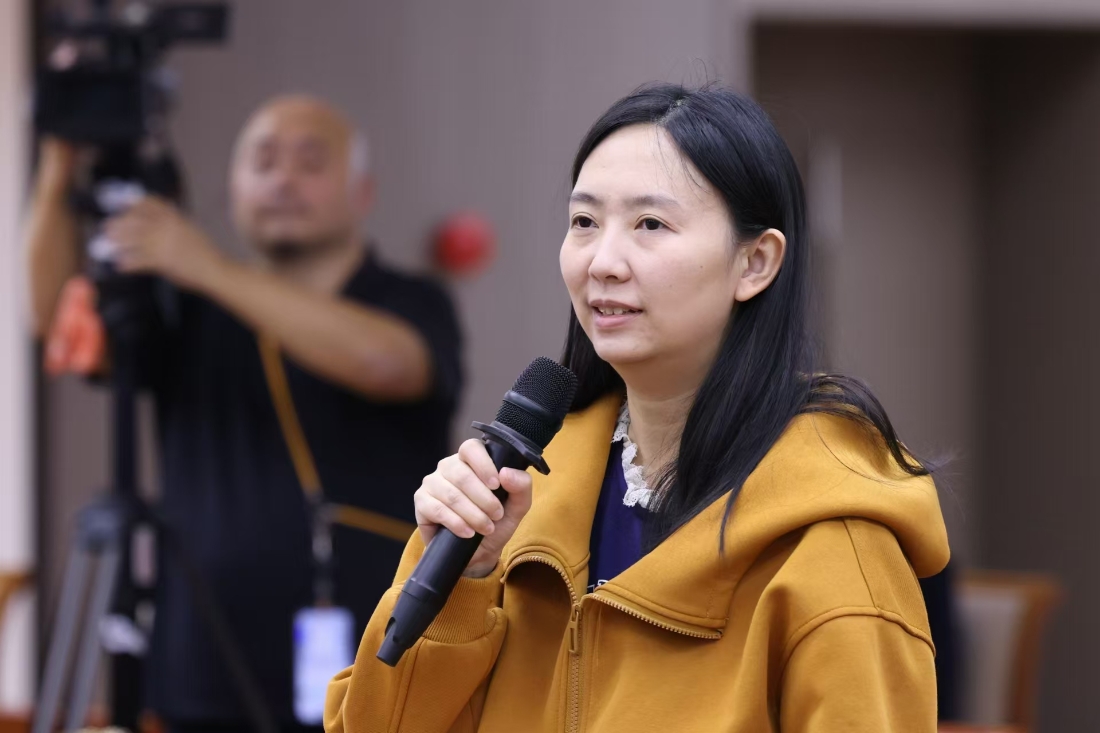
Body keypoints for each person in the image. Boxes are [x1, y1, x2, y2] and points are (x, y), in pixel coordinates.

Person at [324, 83, 950, 732]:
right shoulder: (513, 511)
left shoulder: (833, 545)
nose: (603, 261)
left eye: (650, 224)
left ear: (755, 262)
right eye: (584, 222)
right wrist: (461, 582)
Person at [25, 96, 463, 732]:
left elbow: (388, 364)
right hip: (204, 665)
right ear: (233, 189)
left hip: (375, 658)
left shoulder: (410, 300)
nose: (283, 179)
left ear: (362, 192)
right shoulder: (189, 308)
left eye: (309, 162)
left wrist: (205, 265)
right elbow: (58, 323)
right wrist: (57, 168)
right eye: (263, 162)